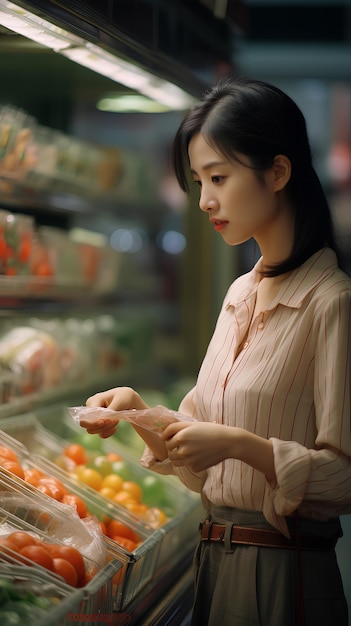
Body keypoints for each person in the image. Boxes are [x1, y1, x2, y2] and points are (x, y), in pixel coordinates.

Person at [82, 77, 351, 626]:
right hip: (215, 557)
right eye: (201, 180)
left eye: (219, 178)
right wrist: (140, 413)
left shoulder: (332, 303)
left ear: (277, 172)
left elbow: (344, 478)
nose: (205, 200)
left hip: (283, 572)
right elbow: (201, 453)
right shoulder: (240, 294)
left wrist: (241, 446)